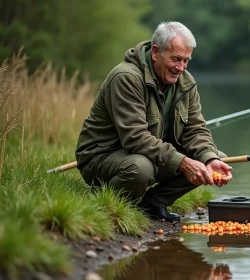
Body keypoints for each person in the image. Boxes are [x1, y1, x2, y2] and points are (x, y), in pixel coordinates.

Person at [75, 21, 233, 222]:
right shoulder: (126, 77)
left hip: (147, 155)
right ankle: (110, 204)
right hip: (102, 157)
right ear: (156, 52)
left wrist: (210, 159)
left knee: (214, 157)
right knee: (142, 168)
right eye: (176, 59)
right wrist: (183, 163)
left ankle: (153, 203)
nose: (181, 68)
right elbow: (135, 138)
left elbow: (195, 130)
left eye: (186, 61)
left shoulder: (186, 81)